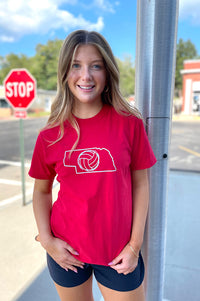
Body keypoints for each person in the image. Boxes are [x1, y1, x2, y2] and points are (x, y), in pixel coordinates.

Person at [29, 30, 157, 301]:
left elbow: (141, 184)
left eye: (95, 66)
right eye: (76, 65)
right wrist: (48, 241)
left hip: (118, 255)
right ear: (65, 72)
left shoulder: (129, 125)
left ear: (107, 72)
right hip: (67, 254)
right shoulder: (50, 135)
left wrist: (135, 246)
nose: (85, 75)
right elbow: (41, 192)